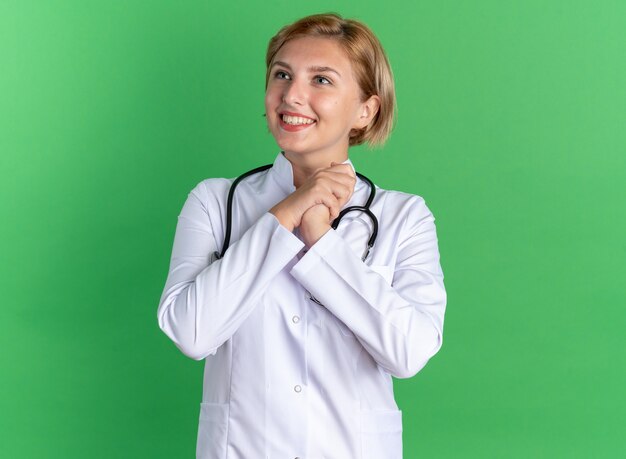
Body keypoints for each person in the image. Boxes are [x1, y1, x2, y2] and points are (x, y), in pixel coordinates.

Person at [157, 12, 446, 459]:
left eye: (322, 80)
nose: (292, 95)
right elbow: (191, 332)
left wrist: (322, 243)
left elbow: (408, 353)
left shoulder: (403, 216)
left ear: (365, 109)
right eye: (282, 75)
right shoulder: (214, 202)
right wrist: (285, 214)